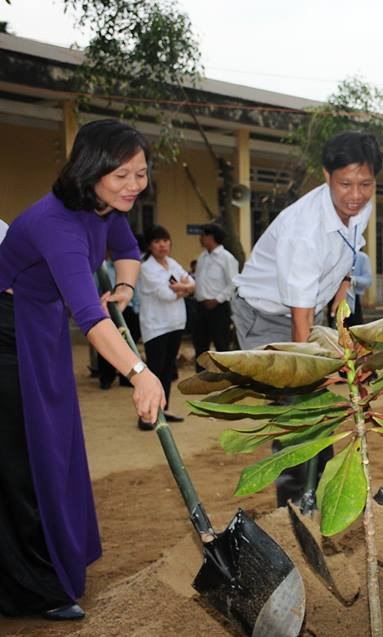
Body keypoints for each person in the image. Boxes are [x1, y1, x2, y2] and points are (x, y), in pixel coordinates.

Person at [0, 119, 165, 620]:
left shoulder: (103, 208)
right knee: (23, 461)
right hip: (6, 337)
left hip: (41, 329)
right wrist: (140, 372)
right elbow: (89, 319)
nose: (133, 186)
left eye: (140, 174)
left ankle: (52, 563)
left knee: (58, 448)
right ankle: (28, 589)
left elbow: (127, 251)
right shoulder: (58, 223)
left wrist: (126, 289)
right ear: (90, 170)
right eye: (121, 176)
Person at [233, 131, 380, 506]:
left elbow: (351, 247)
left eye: (365, 183)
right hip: (265, 317)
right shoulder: (303, 232)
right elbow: (299, 330)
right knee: (296, 414)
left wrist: (343, 286)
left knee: (318, 411)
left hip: (309, 309)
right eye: (345, 183)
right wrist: (316, 370)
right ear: (326, 176)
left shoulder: (360, 206)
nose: (356, 194)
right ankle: (295, 508)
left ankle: (320, 495)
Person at [138, 225, 194, 430]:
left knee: (168, 369)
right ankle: (146, 416)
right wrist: (183, 288)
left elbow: (192, 283)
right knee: (154, 370)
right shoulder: (147, 268)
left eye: (165, 240)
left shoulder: (171, 263)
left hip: (175, 323)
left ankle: (164, 408)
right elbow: (167, 295)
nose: (162, 245)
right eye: (157, 241)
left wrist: (181, 288)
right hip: (156, 326)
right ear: (150, 246)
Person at [191, 223, 238, 370]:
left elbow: (233, 283)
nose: (200, 238)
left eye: (203, 235)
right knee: (200, 345)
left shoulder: (226, 258)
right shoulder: (202, 257)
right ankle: (201, 376)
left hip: (218, 308)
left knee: (221, 345)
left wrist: (217, 300)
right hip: (200, 307)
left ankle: (225, 377)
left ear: (211, 237)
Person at [343, 250, 372, 328]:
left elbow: (368, 281)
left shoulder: (362, 257)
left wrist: (351, 279)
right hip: (334, 297)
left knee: (354, 330)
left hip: (353, 299)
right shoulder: (336, 255)